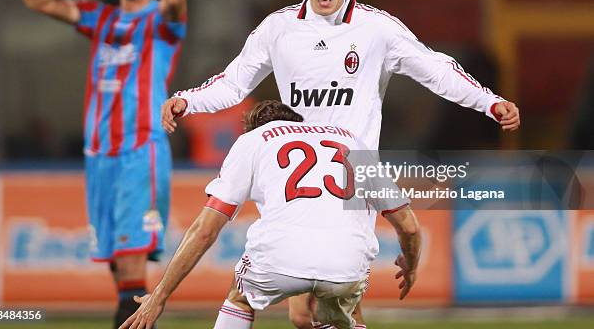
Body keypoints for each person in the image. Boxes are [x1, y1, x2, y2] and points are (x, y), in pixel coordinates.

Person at [161, 0, 520, 328]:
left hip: (354, 176)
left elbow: (435, 69)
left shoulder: (376, 29)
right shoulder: (278, 29)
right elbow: (234, 82)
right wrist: (188, 100)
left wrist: (487, 101)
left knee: (332, 303)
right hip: (292, 173)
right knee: (308, 312)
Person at [120, 100, 422, 329]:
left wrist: (159, 297)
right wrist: (410, 265)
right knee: (340, 312)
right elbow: (408, 226)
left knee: (241, 296)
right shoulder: (351, 140)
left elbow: (204, 230)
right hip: (348, 260)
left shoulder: (255, 140)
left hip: (282, 254)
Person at [22, 0, 187, 328]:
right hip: (100, 155)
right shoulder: (102, 18)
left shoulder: (162, 20)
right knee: (120, 270)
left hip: (139, 151)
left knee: (131, 267)